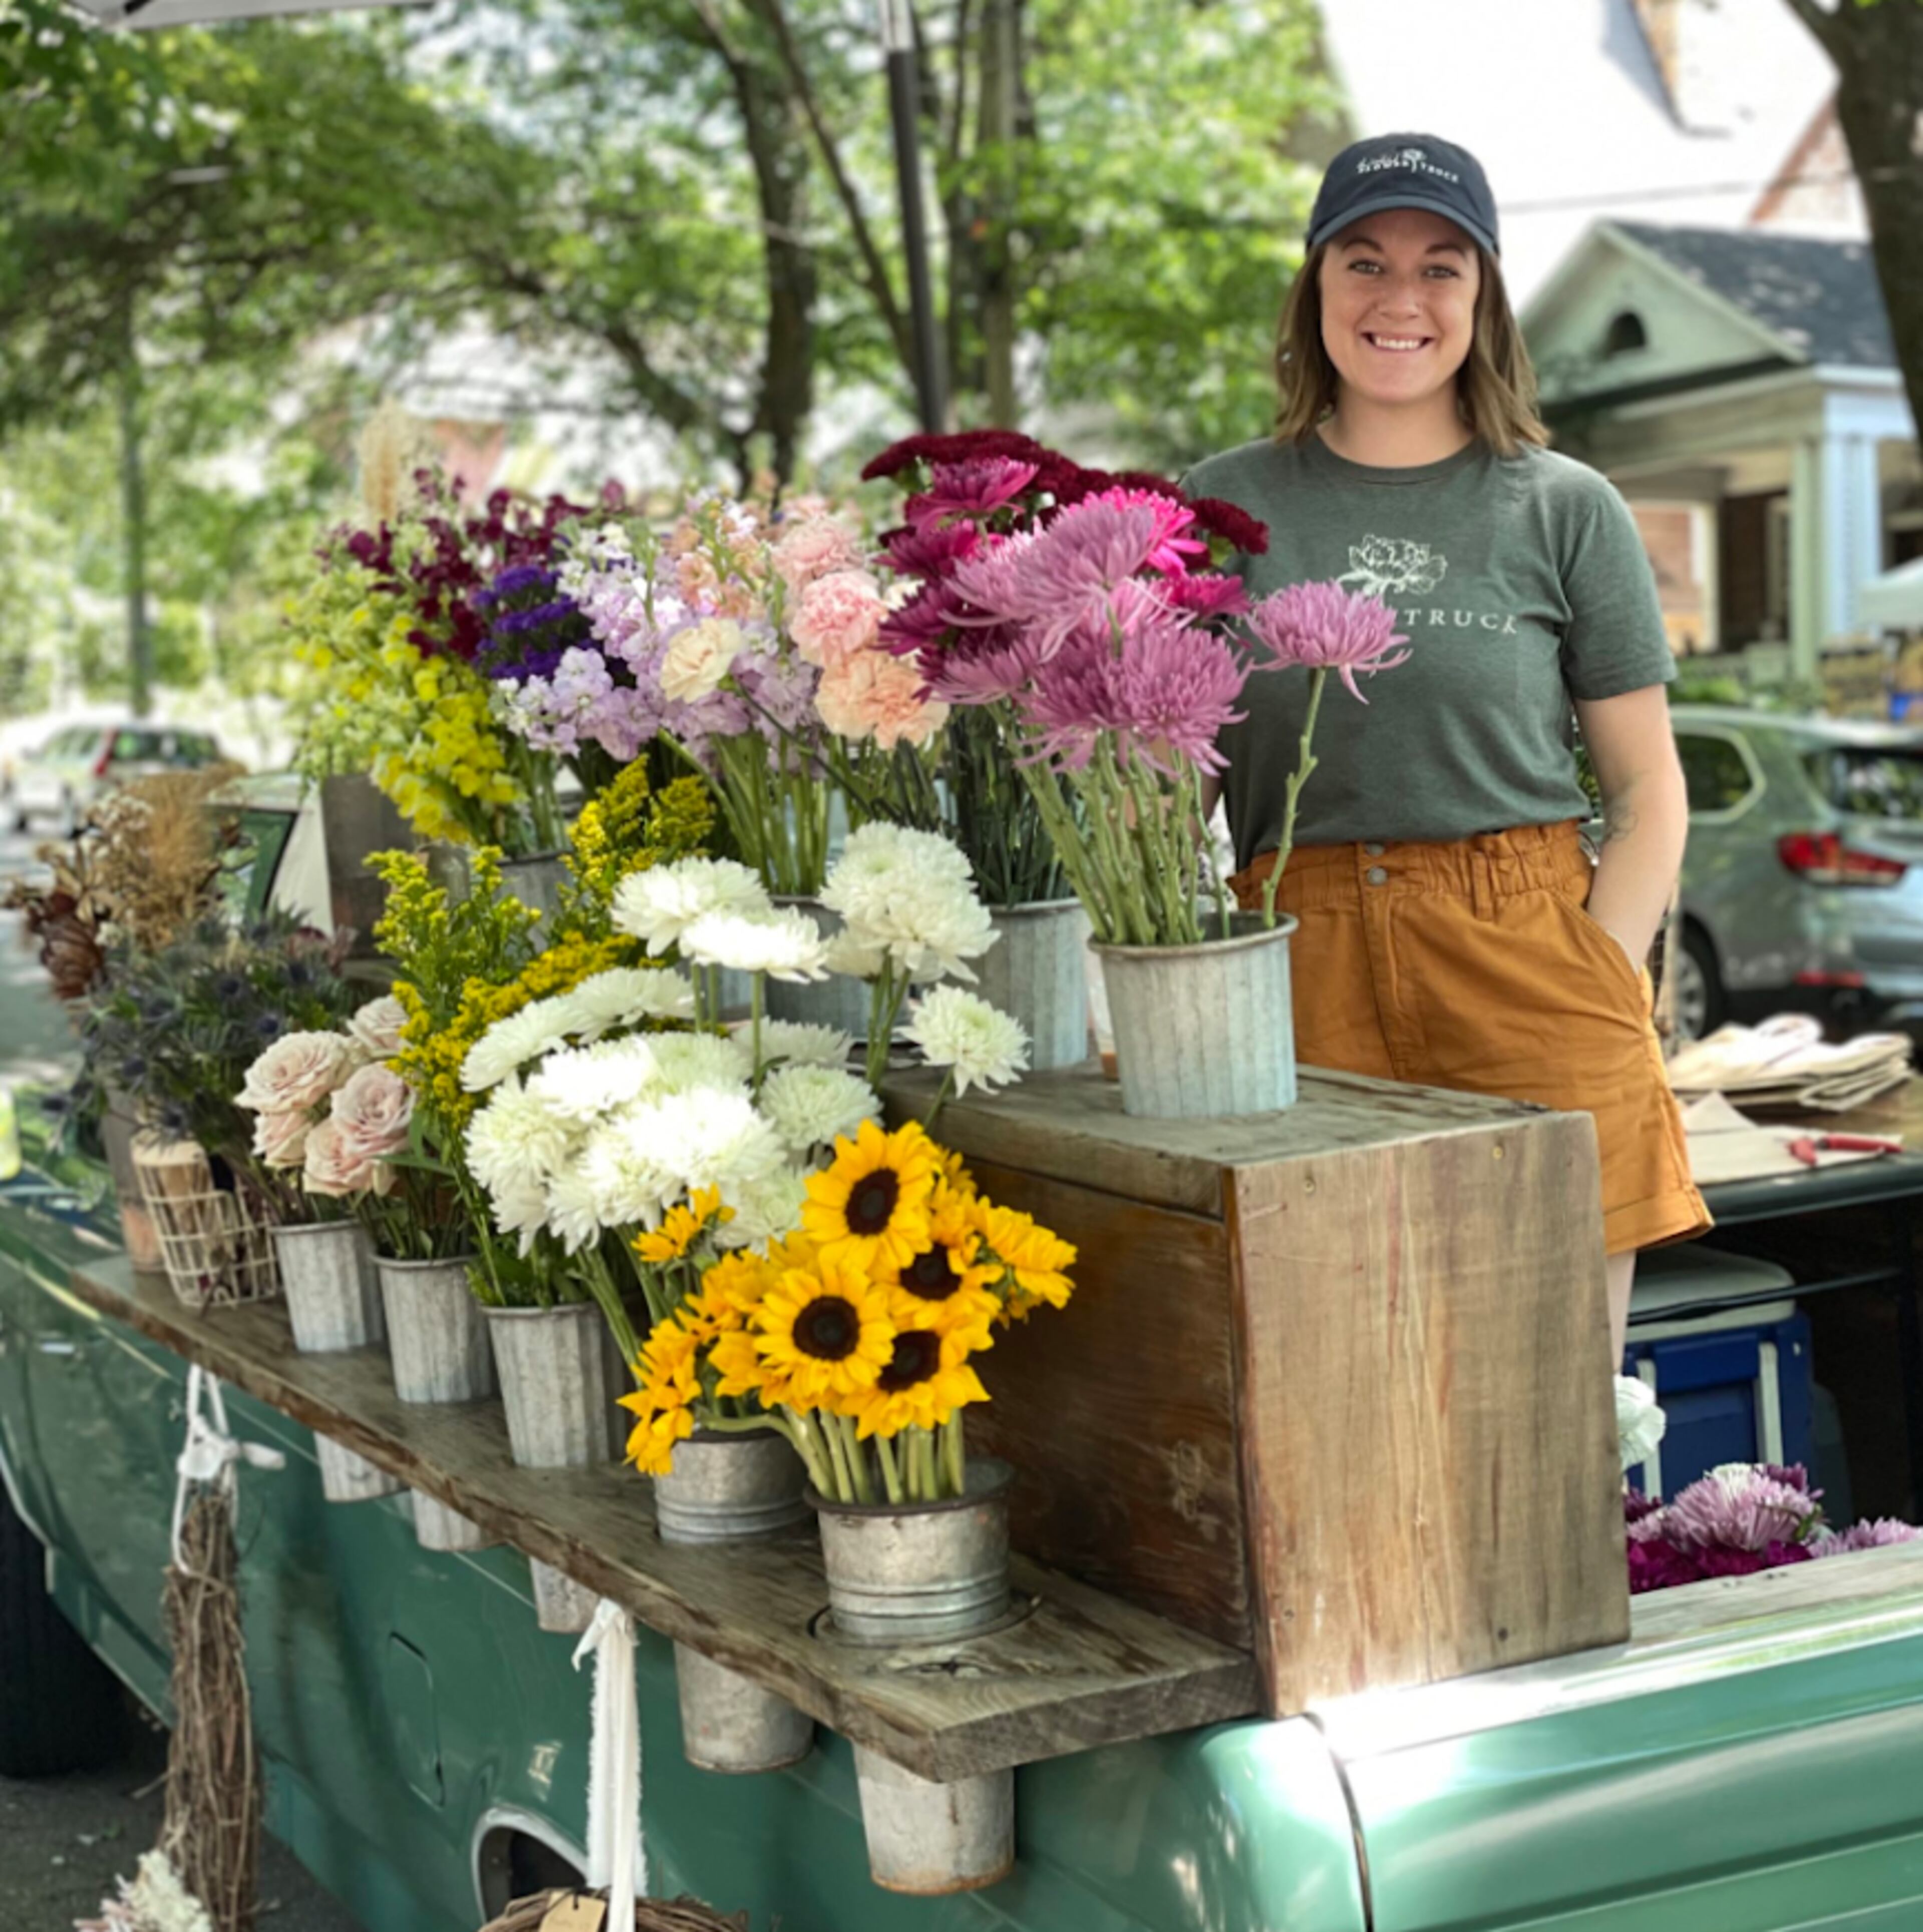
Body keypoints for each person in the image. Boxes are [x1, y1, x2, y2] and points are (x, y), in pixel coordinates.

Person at [1185, 131, 1711, 1369]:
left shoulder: (1565, 505)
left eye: (1441, 267)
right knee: (1335, 1397)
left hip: (1529, 958)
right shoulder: (1222, 507)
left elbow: (1648, 789)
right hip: (1296, 973)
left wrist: (1598, 969)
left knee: (1548, 1405)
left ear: (1484, 299)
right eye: (1364, 262)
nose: (1401, 298)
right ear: (1316, 290)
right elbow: (1164, 784)